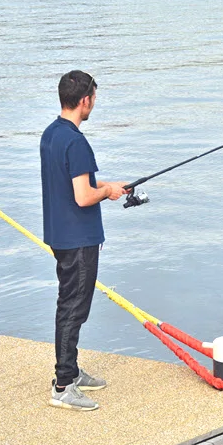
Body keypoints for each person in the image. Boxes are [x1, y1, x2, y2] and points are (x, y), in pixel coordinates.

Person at [40, 70, 128, 411]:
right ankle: (63, 385)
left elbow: (74, 182)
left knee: (69, 304)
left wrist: (108, 186)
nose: (94, 104)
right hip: (78, 239)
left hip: (61, 234)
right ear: (85, 100)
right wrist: (105, 192)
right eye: (93, 98)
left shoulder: (52, 134)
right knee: (74, 309)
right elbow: (82, 196)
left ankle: (71, 370)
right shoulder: (77, 141)